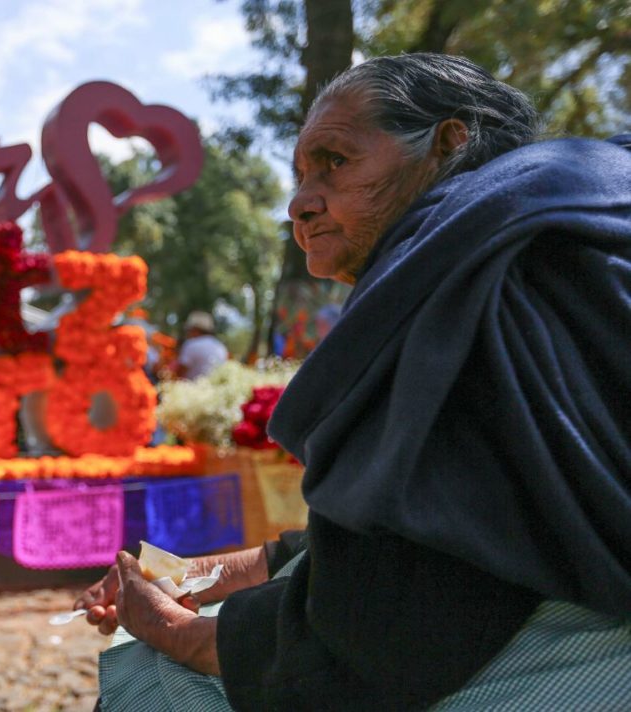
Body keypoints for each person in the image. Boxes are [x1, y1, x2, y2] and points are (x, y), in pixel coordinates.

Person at [77, 53, 631, 711]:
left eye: (335, 162)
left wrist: (168, 627)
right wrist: (189, 574)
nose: (299, 204)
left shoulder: (471, 281)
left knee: (155, 681)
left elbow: (388, 630)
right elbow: (405, 522)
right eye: (300, 174)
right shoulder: (555, 214)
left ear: (451, 142)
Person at [175, 311, 228, 379]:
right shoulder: (221, 347)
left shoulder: (191, 344)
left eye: (190, 330)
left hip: (191, 387)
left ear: (195, 329)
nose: (188, 333)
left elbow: (180, 373)